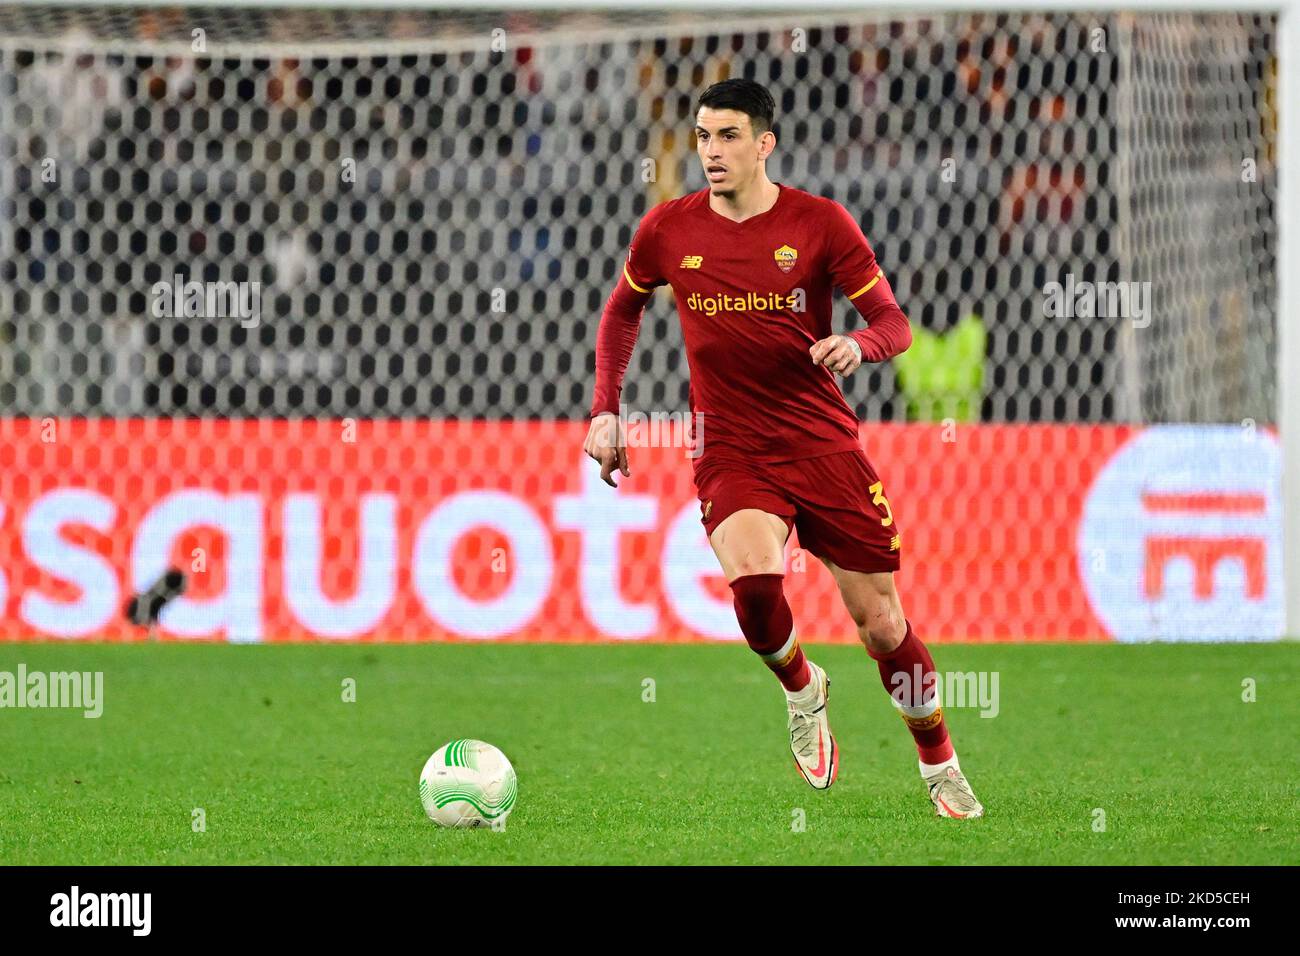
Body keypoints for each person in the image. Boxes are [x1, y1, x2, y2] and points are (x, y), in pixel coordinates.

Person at [583, 77, 983, 818]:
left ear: (765, 143)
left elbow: (892, 321)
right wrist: (607, 409)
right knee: (756, 585)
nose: (711, 151)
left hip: (821, 443)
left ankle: (940, 765)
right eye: (703, 136)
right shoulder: (669, 229)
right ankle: (803, 690)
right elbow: (622, 311)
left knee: (883, 625)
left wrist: (858, 345)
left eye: (728, 136)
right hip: (730, 446)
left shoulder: (822, 223)